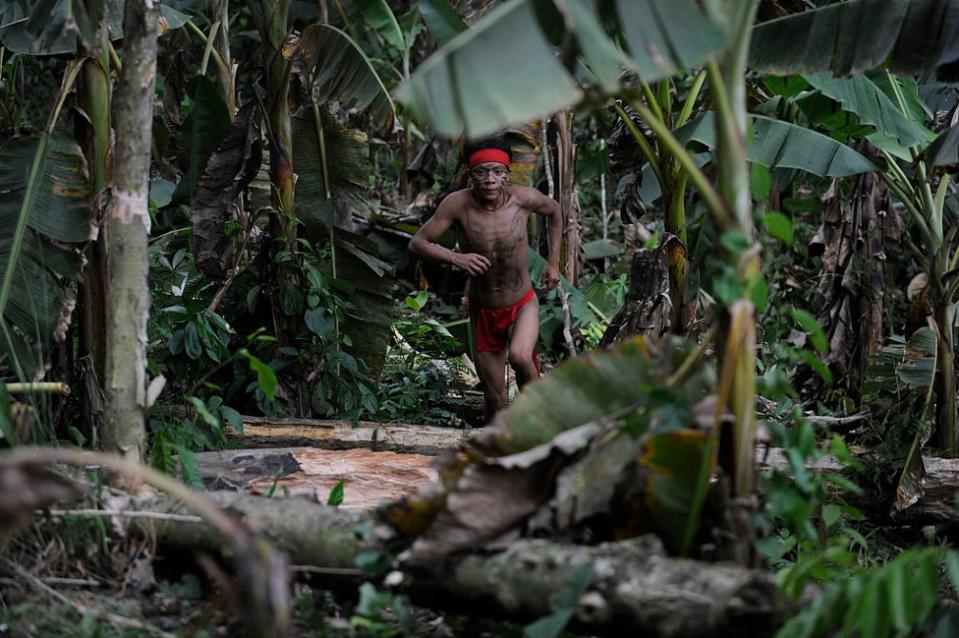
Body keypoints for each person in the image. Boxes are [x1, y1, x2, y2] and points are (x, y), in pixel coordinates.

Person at [409, 136, 563, 421]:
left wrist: (554, 264)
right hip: (483, 310)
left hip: (522, 303)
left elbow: (555, 211)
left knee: (519, 357)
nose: (490, 179)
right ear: (470, 174)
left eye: (497, 172)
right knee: (495, 396)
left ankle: (540, 415)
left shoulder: (524, 199)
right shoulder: (457, 205)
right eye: (481, 172)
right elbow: (418, 243)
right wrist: (457, 257)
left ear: (507, 174)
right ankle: (496, 447)